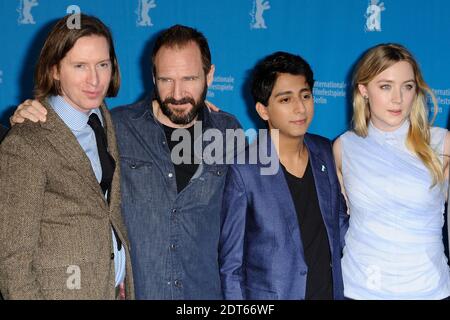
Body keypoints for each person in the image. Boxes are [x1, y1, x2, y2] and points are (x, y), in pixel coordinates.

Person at [11, 25, 241, 300]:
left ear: (210, 75)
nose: (178, 93)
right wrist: (27, 113)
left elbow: (241, 227)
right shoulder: (116, 126)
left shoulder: (228, 131)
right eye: (167, 80)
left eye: (190, 78)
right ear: (153, 77)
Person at [0, 14, 134, 299]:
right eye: (80, 66)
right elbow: (12, 260)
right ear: (55, 70)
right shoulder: (26, 142)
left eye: (102, 64)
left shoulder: (104, 117)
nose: (95, 79)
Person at [219, 52, 348, 300]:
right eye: (286, 99)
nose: (300, 108)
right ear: (263, 110)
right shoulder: (244, 170)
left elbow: (340, 225)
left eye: (306, 96)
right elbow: (231, 267)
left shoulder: (325, 151)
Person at [333, 43, 450, 299]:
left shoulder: (442, 143)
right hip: (361, 289)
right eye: (385, 86)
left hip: (429, 289)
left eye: (407, 86)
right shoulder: (344, 147)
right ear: (364, 90)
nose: (398, 98)